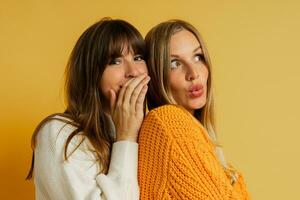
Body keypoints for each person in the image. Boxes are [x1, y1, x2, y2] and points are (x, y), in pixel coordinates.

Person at [26, 18, 150, 200]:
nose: (133, 71)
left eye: (138, 58)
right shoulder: (58, 133)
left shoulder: (150, 133)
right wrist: (126, 138)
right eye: (115, 61)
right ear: (91, 73)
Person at [138, 20, 250, 199]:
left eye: (198, 57)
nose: (193, 73)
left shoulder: (192, 133)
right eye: (174, 63)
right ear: (157, 76)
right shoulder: (167, 121)